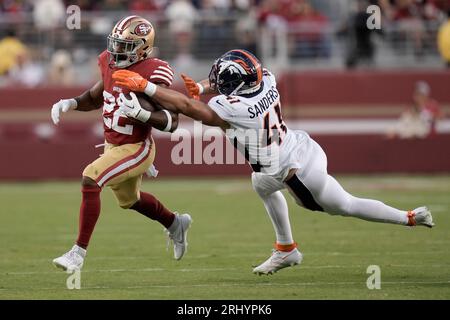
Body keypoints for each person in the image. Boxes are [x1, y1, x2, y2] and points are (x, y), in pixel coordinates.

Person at [112, 49, 434, 275]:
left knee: (343, 205)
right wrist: (207, 85)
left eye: (221, 82)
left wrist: (147, 86)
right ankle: (286, 248)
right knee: (260, 183)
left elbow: (187, 107)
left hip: (295, 173)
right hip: (300, 147)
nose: (217, 85)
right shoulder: (267, 79)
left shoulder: (233, 108)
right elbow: (231, 85)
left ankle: (407, 218)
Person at [50, 16, 192, 272]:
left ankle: (77, 254)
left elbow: (172, 121)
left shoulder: (153, 71)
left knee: (90, 178)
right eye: (115, 43)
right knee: (129, 200)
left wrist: (144, 115)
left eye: (125, 45)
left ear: (143, 48)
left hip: (137, 147)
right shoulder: (109, 61)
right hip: (113, 145)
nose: (117, 51)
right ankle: (175, 223)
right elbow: (96, 96)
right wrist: (71, 103)